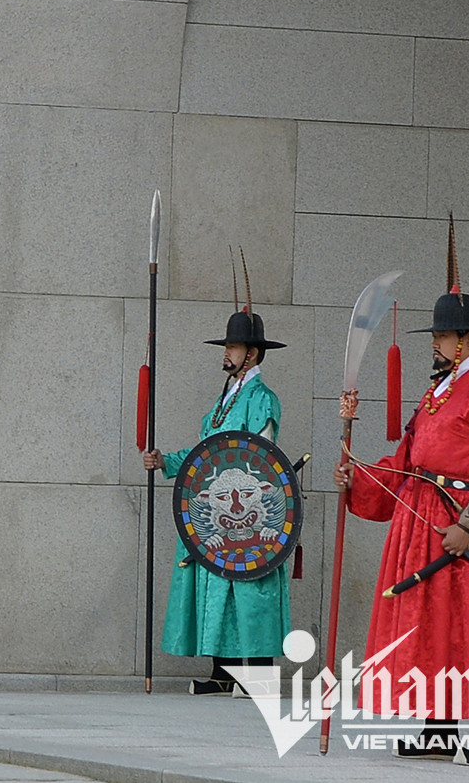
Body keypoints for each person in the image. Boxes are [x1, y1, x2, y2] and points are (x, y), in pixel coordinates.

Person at [335, 219, 469, 767]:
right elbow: (408, 462)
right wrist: (358, 477)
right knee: (433, 625)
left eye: (441, 337)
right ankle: (440, 726)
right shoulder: (437, 394)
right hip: (424, 523)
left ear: (466, 341)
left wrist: (468, 525)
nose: (434, 343)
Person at [142, 260, 290, 694]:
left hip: (250, 509)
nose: (226, 353)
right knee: (217, 585)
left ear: (252, 354)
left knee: (250, 589)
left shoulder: (261, 398)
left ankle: (259, 675)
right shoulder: (224, 399)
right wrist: (167, 461)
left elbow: (260, 454)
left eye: (234, 346)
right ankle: (223, 673)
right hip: (218, 504)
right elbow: (206, 450)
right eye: (227, 346)